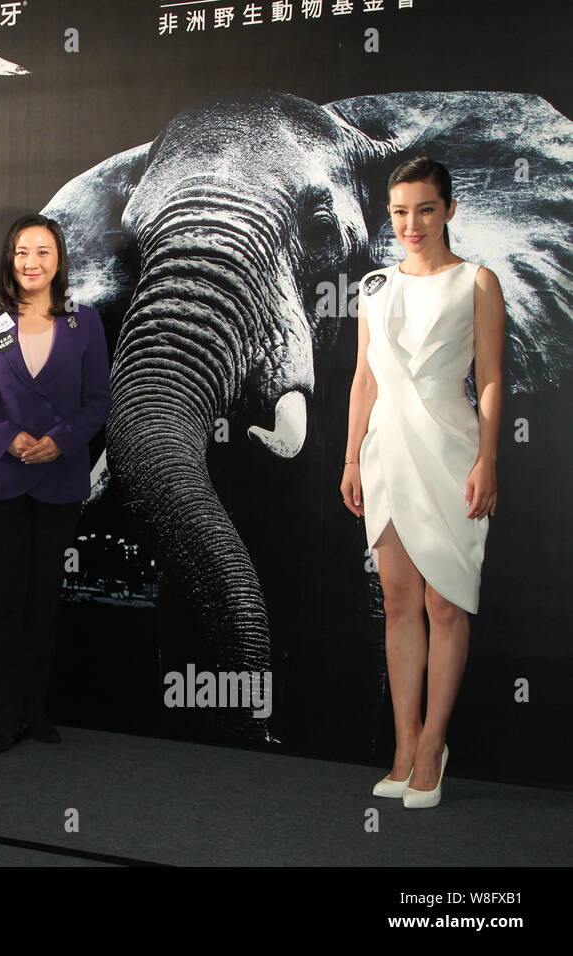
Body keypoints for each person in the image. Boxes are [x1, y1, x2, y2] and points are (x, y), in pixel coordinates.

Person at [341, 157, 506, 808]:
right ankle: (404, 743)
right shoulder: (375, 287)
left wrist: (488, 459)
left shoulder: (477, 282)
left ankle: (434, 742)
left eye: (426, 210)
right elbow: (364, 379)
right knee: (401, 605)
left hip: (451, 451)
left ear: (450, 210)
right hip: (387, 454)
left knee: (446, 603)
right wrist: (352, 457)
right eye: (400, 211)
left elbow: (490, 378)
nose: (411, 224)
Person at [0, 214, 111, 751]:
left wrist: (62, 439)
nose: (32, 262)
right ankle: (4, 713)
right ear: (9, 260)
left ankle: (36, 709)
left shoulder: (84, 322)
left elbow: (99, 402)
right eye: (22, 252)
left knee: (43, 599)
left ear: (59, 260)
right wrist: (7, 437)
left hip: (59, 479)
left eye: (43, 252)